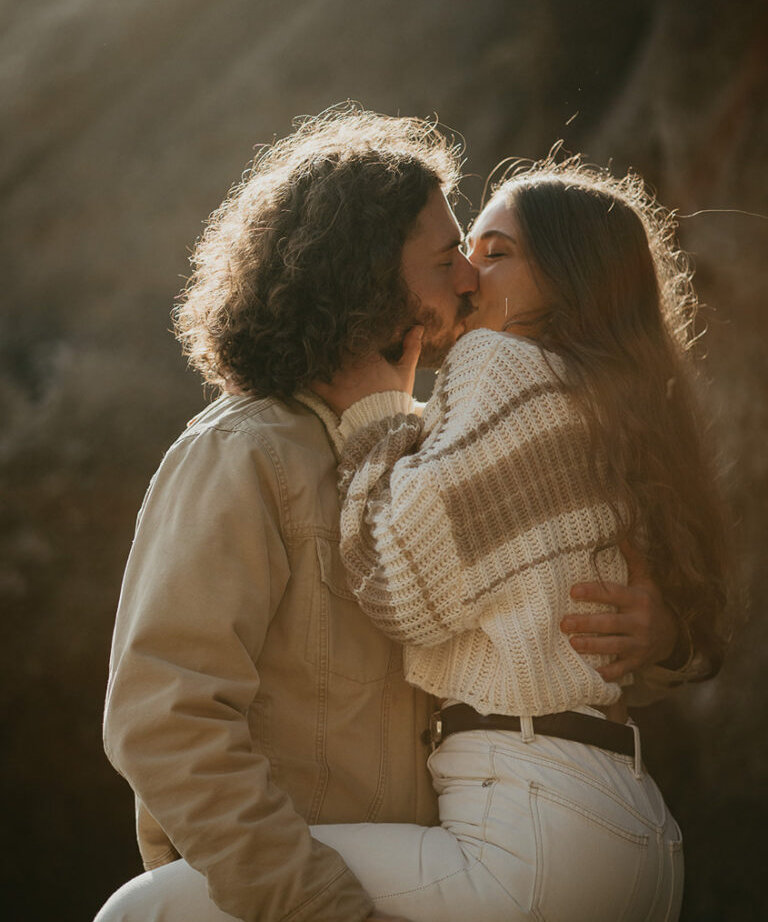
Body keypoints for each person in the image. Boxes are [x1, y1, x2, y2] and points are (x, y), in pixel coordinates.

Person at [95, 109, 696, 922]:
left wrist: (660, 635)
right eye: (449, 256)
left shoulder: (444, 447)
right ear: (369, 272)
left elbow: (546, 653)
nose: (467, 281)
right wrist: (324, 908)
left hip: (477, 863)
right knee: (144, 911)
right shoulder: (244, 456)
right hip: (319, 893)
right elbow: (166, 724)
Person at [302, 156, 730, 921]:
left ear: (569, 281)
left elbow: (398, 589)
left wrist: (375, 414)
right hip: (633, 833)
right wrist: (668, 633)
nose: (466, 274)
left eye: (496, 254)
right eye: (467, 249)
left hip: (531, 825)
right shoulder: (612, 406)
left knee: (168, 899)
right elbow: (689, 631)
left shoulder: (499, 365)